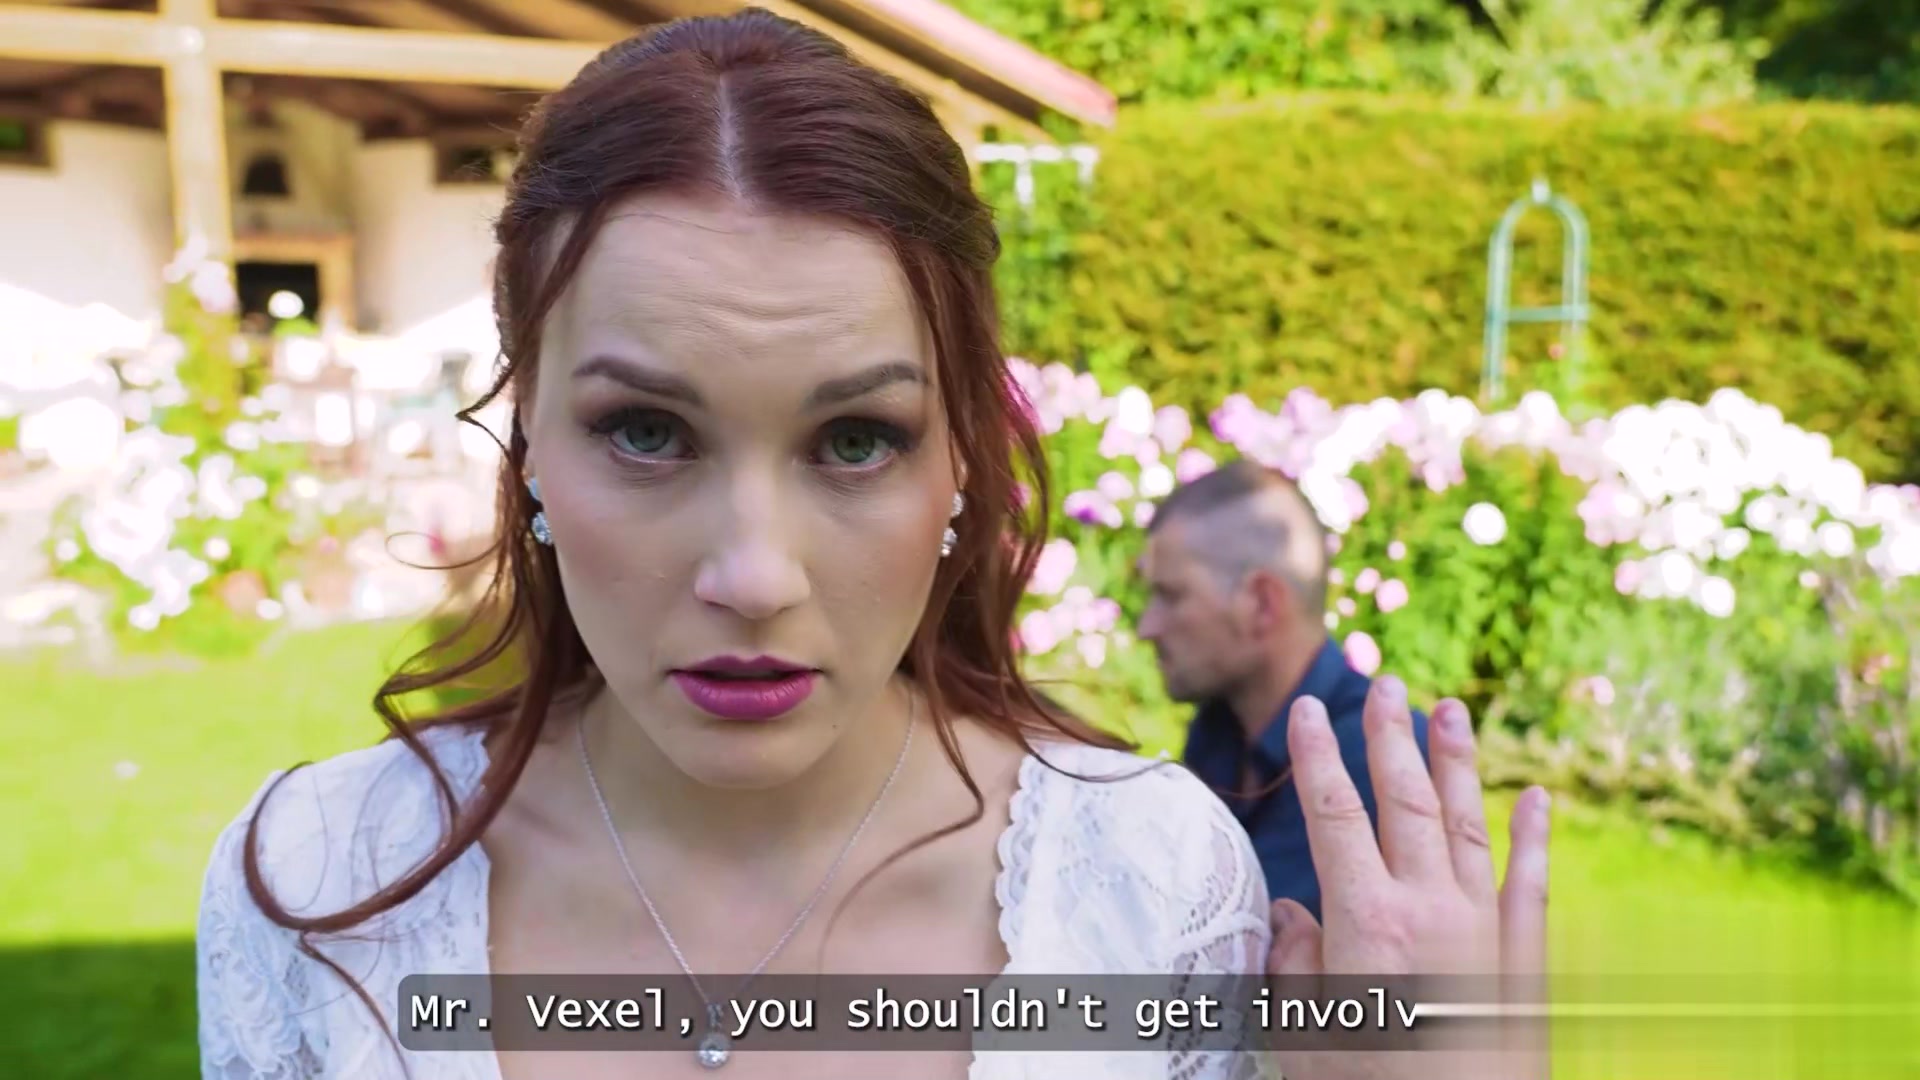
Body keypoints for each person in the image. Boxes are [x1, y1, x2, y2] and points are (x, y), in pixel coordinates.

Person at [194, 11, 1550, 1080]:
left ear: (961, 455)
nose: (754, 576)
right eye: (647, 432)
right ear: (528, 437)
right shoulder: (317, 885)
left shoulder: (1150, 892)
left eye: (855, 440)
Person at [1138, 459, 1432, 921]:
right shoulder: (1220, 727)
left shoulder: (1376, 758)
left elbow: (1228, 934)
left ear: (1261, 603)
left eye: (1171, 596)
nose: (1147, 627)